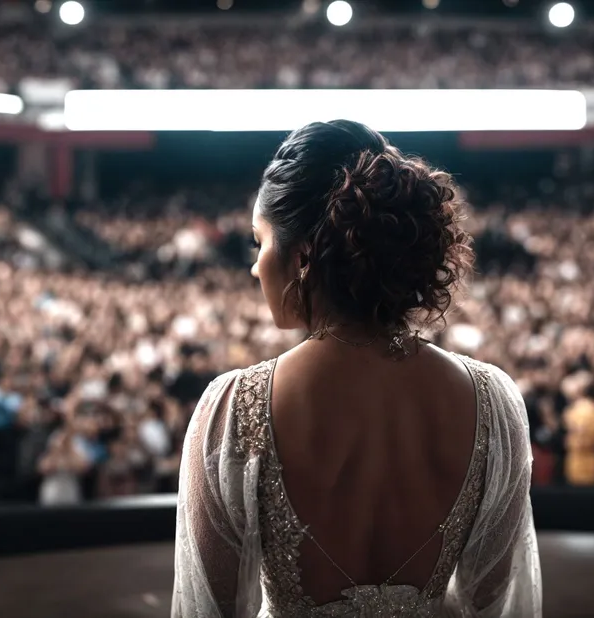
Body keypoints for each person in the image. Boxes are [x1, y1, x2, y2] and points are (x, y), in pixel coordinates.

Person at [172, 120, 540, 617]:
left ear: (303, 255)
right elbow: (495, 605)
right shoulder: (492, 402)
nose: (256, 267)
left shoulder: (234, 408)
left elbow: (206, 610)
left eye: (260, 242)